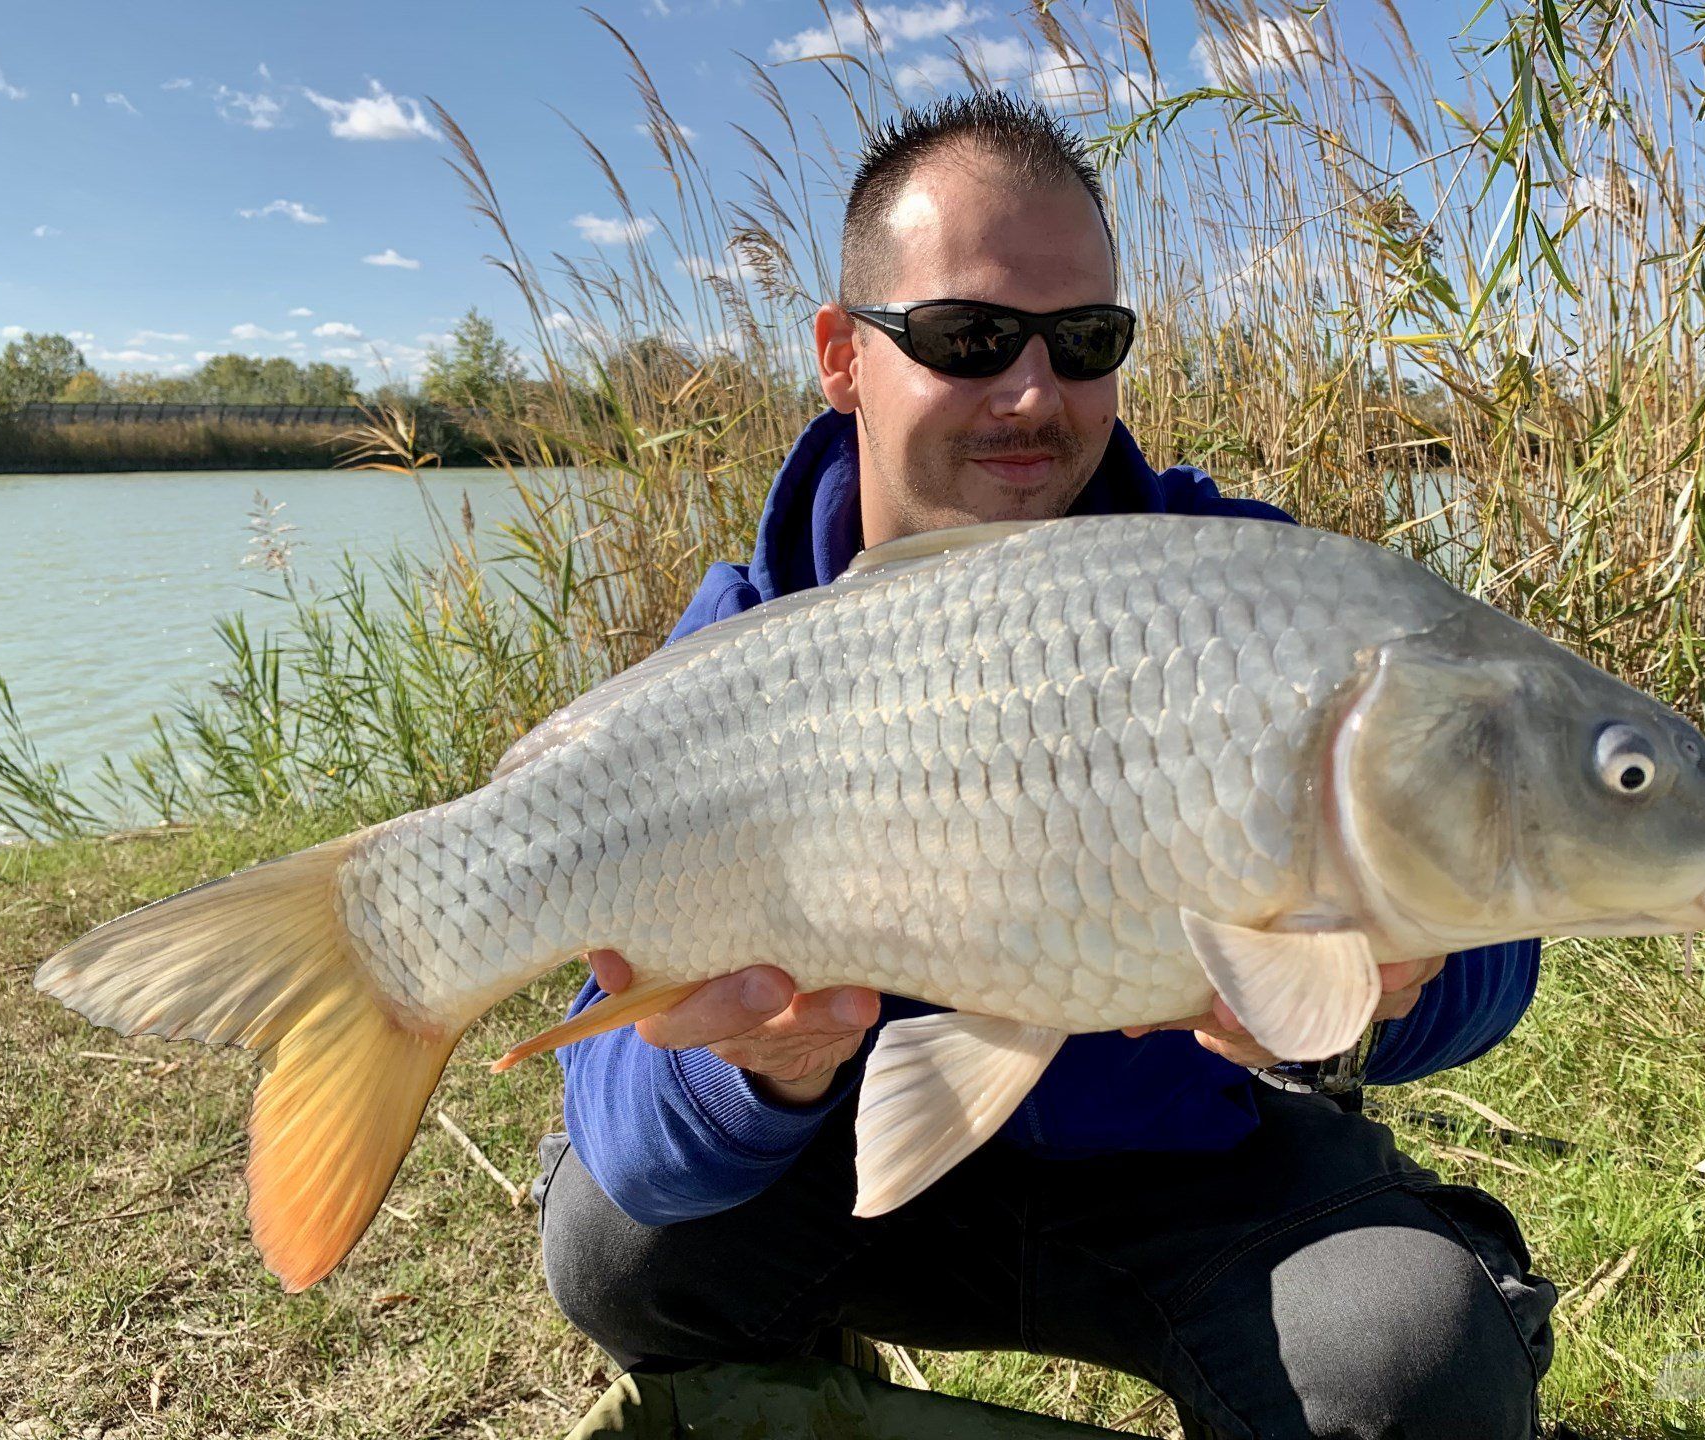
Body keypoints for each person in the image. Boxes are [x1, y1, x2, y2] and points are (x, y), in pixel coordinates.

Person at [533, 91, 1556, 1440]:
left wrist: (1383, 991)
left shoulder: (1245, 594)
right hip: (865, 1180)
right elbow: (629, 1138)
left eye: (1085, 340)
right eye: (967, 338)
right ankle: (804, 1364)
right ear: (843, 356)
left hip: (1197, 1177)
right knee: (618, 1246)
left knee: (1412, 1359)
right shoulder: (745, 642)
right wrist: (762, 1068)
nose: (1033, 391)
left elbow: (1500, 954)